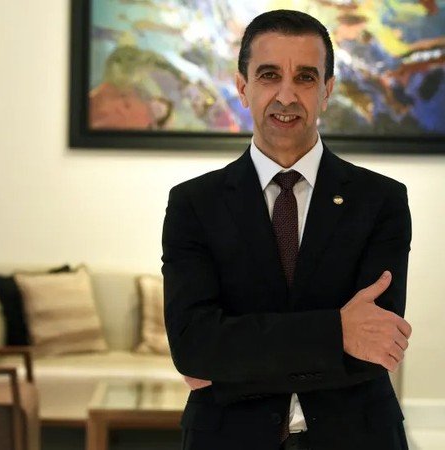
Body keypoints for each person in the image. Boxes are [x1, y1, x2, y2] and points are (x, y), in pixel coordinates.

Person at [162, 9, 412, 450]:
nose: (286, 95)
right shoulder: (194, 205)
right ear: (243, 87)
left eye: (305, 78)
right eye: (269, 75)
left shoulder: (381, 201)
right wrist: (338, 332)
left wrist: (232, 366)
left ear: (327, 91)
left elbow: (377, 349)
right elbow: (194, 348)